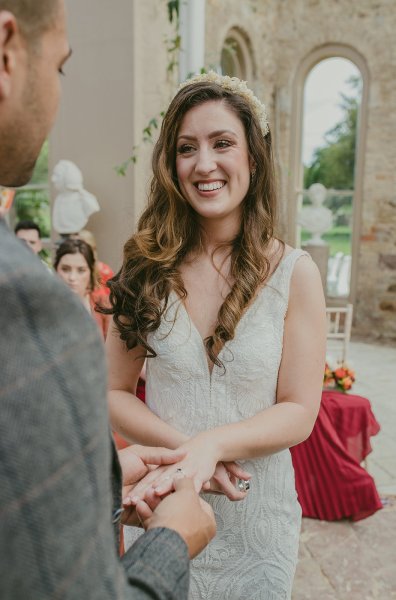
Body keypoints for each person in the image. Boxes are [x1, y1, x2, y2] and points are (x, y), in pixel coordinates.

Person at [0, 1, 216, 598]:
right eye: (61, 68)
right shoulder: (23, 302)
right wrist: (171, 542)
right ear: (5, 51)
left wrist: (93, 478)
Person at [106, 71, 327, 599]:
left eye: (222, 143)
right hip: (166, 509)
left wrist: (214, 445)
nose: (204, 164)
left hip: (258, 522)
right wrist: (193, 453)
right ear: (171, 163)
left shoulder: (295, 273)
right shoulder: (144, 266)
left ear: (253, 156)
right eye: (187, 148)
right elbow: (112, 389)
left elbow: (299, 409)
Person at [54, 237, 110, 338]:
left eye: (81, 270)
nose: (72, 277)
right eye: (65, 269)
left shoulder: (102, 305)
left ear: (90, 272)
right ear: (56, 269)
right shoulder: (43, 305)